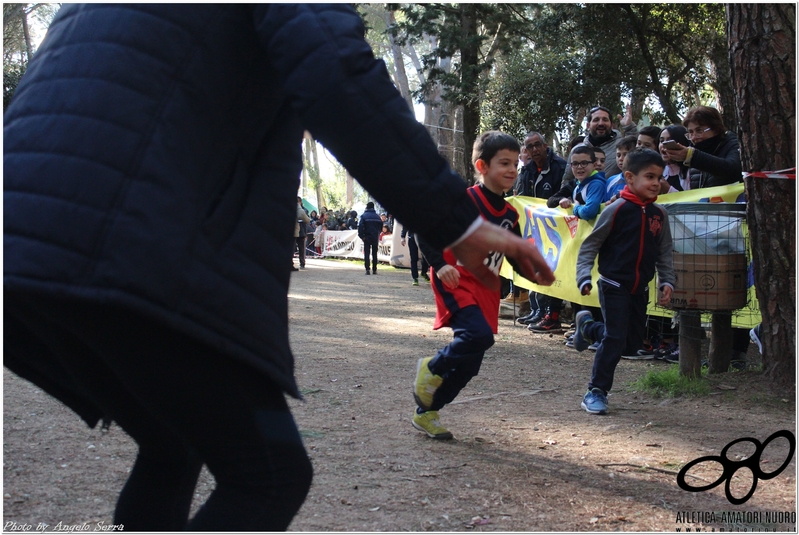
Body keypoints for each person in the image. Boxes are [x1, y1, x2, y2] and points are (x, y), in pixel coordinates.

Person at [3, 5, 555, 531]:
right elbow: (338, 75)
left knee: (174, 445)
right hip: (117, 237)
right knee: (269, 475)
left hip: (26, 231)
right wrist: (454, 220)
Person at [412, 131, 530, 439]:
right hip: (457, 279)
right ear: (482, 165)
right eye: (504, 162)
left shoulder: (510, 214)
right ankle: (432, 367)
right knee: (476, 334)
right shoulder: (461, 201)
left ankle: (426, 412)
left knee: (472, 361)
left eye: (515, 163)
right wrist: (439, 264)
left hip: (486, 289)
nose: (511, 170)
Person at [571, 148, 676, 415]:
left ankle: (587, 328)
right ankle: (596, 390)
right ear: (629, 177)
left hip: (639, 288)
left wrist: (668, 282)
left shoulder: (659, 215)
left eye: (659, 177)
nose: (656, 183)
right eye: (649, 176)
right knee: (615, 338)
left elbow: (664, 251)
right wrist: (584, 276)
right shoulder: (616, 209)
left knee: (631, 344)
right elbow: (590, 245)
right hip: (613, 284)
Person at [513, 132, 568, 332]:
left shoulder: (560, 167)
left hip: (557, 230)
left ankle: (553, 315)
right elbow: (523, 199)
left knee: (555, 269)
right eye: (530, 147)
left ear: (546, 145)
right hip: (534, 230)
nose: (534, 150)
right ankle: (538, 310)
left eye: (538, 145)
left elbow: (565, 190)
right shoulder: (526, 170)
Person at [560, 105, 638, 187]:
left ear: (611, 125)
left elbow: (639, 153)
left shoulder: (621, 146)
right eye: (596, 120)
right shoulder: (577, 150)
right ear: (588, 126)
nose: (601, 123)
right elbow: (567, 180)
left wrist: (629, 128)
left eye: (605, 120)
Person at [559, 146, 606, 222]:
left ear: (594, 165)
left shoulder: (596, 184)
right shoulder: (578, 185)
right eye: (575, 164)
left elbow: (588, 213)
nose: (579, 167)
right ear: (571, 166)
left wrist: (576, 207)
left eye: (584, 163)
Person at [658, 125, 691, 193]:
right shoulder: (659, 171)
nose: (663, 144)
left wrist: (669, 190)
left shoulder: (693, 172)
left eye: (670, 140)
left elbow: (694, 201)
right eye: (661, 141)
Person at [604, 135, 638, 202]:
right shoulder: (611, 181)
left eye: (625, 154)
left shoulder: (642, 180)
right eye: (618, 155)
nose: (621, 159)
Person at [358, 202, 383, 275]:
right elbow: (381, 227)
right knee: (374, 253)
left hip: (367, 237)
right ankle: (374, 269)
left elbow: (360, 227)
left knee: (367, 253)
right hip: (375, 237)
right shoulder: (377, 217)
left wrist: (362, 236)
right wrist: (377, 233)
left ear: (367, 207)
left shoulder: (364, 216)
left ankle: (367, 269)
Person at [294, 196, 311, 270]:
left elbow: (306, 219)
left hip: (302, 230)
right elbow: (306, 219)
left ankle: (302, 263)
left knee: (301, 248)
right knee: (293, 247)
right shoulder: (299, 209)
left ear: (300, 202)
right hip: (296, 229)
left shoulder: (305, 210)